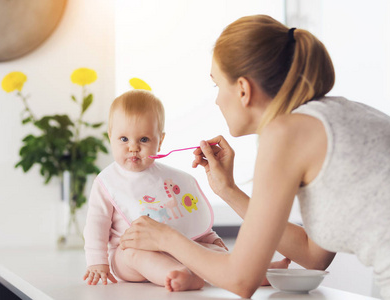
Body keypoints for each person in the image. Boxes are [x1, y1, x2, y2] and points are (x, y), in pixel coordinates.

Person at [120, 14, 390, 299]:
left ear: (243, 89)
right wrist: (228, 190)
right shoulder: (336, 116)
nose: (216, 100)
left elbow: (240, 279)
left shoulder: (285, 132)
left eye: (217, 85)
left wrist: (165, 237)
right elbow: (313, 255)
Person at [82, 89, 231, 291]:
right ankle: (178, 275)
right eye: (124, 139)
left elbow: (188, 218)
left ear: (160, 141)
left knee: (210, 250)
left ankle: (257, 270)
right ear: (111, 137)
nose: (133, 147)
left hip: (176, 250)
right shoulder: (107, 182)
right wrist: (97, 261)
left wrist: (211, 239)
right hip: (130, 256)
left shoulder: (174, 179)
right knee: (133, 254)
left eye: (143, 139)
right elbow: (96, 224)